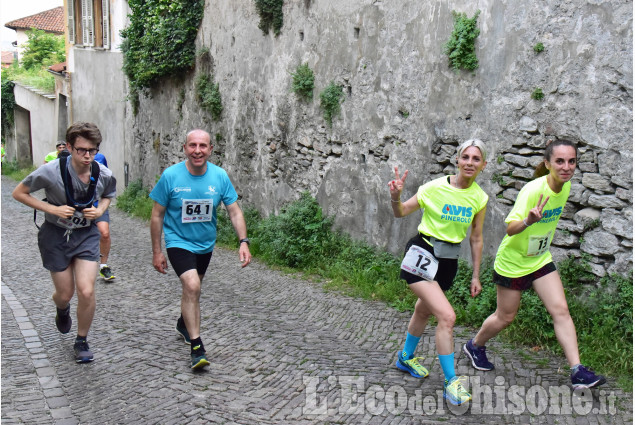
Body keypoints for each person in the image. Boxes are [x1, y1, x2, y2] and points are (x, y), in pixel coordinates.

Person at [462, 139, 606, 389]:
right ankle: (474, 346)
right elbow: (510, 229)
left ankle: (577, 371)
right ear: (547, 163)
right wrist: (528, 220)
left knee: (560, 310)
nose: (566, 167)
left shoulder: (566, 186)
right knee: (505, 317)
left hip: (539, 259)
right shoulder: (532, 191)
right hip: (513, 263)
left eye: (571, 161)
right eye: (560, 161)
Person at [388, 139, 488, 406]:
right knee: (447, 316)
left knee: (423, 310)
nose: (469, 162)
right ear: (457, 160)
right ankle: (451, 382)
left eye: (475, 159)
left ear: (483, 165)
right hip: (422, 254)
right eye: (465, 157)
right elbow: (401, 212)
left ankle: (405, 358)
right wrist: (395, 196)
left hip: (448, 261)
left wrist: (475, 275)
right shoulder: (433, 187)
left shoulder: (479, 197)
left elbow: (476, 238)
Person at [12, 122, 116, 363]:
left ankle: (81, 341)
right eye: (81, 150)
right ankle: (62, 308)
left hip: (86, 235)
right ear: (69, 147)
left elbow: (109, 195)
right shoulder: (50, 171)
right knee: (65, 293)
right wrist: (52, 208)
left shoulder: (103, 173)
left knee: (87, 290)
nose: (87, 155)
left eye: (92, 149)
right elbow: (18, 193)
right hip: (56, 235)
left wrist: (99, 210)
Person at [150, 129, 252, 370]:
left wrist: (243, 241)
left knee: (193, 289)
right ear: (184, 148)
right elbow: (157, 216)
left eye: (203, 146)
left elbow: (234, 211)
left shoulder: (219, 176)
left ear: (211, 149)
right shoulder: (170, 176)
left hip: (205, 244)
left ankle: (184, 322)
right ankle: (197, 347)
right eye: (193, 145)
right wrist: (157, 251)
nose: (198, 150)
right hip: (178, 241)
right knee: (192, 285)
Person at [93, 152, 115, 281]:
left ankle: (103, 266)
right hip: (78, 207)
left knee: (104, 233)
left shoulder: (100, 158)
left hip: (98, 203)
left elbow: (106, 179)